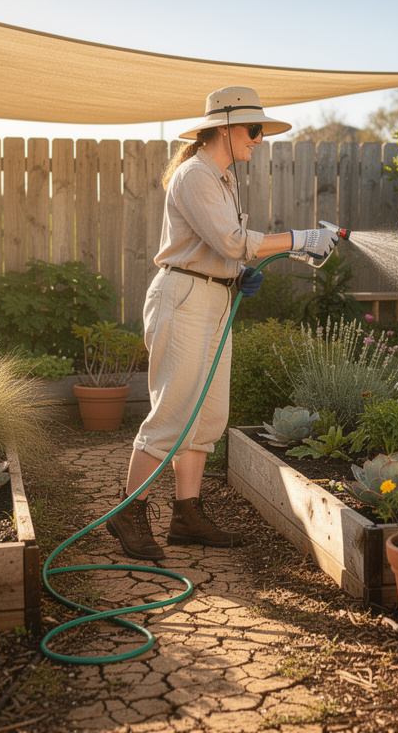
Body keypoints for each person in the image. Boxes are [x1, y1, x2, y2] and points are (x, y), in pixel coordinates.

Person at [107, 86, 339, 560]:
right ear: (225, 127)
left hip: (212, 298)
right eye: (254, 130)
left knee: (208, 415)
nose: (258, 139)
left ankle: (186, 514)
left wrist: (238, 276)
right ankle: (128, 513)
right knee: (173, 412)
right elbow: (232, 240)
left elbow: (224, 252)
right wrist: (302, 238)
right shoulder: (194, 175)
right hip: (184, 297)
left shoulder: (223, 179)